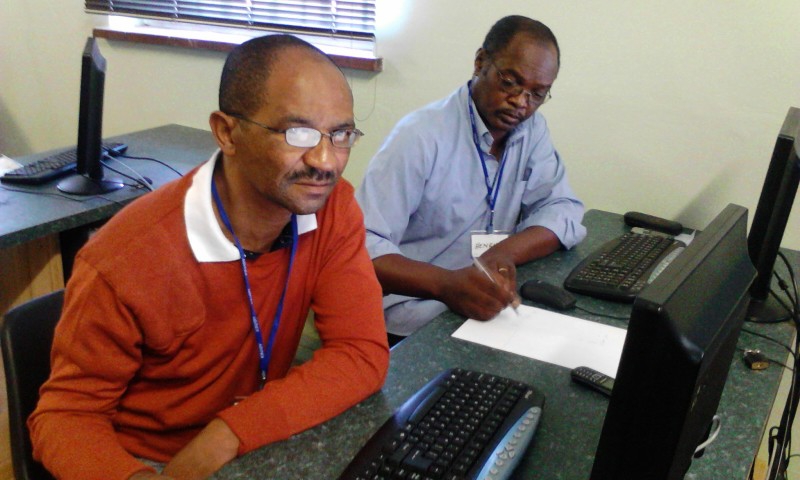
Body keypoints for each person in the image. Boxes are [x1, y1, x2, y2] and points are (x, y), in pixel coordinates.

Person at [28, 34, 389, 480]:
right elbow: (64, 417)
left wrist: (228, 434)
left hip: (246, 438)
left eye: (341, 134)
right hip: (147, 460)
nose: (326, 161)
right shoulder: (125, 259)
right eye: (298, 133)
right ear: (227, 133)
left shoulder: (332, 208)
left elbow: (360, 351)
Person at [356, 15, 586, 342]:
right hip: (413, 314)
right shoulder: (419, 137)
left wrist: (503, 253)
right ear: (480, 63)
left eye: (538, 94)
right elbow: (361, 246)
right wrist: (446, 284)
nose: (522, 103)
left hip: (485, 303)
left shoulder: (531, 130)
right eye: (511, 82)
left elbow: (562, 208)